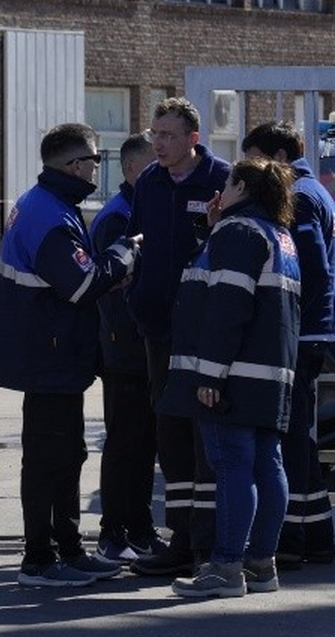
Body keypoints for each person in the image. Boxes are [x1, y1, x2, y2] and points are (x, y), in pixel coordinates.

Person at [0, 122, 141, 588]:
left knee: (66, 454)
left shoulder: (47, 204)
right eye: (93, 160)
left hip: (52, 355)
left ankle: (68, 550)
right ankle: (40, 559)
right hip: (48, 357)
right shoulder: (50, 216)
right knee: (50, 458)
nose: (97, 168)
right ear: (75, 165)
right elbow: (82, 283)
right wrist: (125, 254)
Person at [161, 157, 300, 598]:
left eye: (228, 183)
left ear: (242, 187)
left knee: (232, 466)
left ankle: (225, 567)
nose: (221, 191)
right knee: (267, 464)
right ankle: (260, 564)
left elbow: (226, 307)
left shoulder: (239, 232)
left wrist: (211, 374)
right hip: (269, 374)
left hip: (233, 374)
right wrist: (213, 230)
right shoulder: (278, 235)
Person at [126, 97, 232, 577]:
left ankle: (211, 543)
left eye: (167, 135)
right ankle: (181, 539)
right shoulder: (150, 181)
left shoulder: (222, 179)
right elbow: (136, 242)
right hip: (158, 330)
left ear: (193, 139)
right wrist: (137, 297)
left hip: (205, 332)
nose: (158, 144)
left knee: (205, 433)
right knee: (169, 432)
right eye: (154, 134)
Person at [240, 121, 335, 568]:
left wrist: (289, 319)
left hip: (301, 333)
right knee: (299, 436)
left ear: (278, 158)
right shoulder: (313, 190)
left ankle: (293, 537)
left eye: (256, 160)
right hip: (310, 332)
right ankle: (314, 532)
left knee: (291, 437)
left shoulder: (296, 196)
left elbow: (311, 270)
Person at [91, 132, 162, 563]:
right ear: (134, 169)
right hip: (125, 350)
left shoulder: (137, 208)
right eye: (155, 161)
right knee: (125, 444)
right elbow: (116, 292)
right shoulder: (119, 217)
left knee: (142, 443)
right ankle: (115, 532)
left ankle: (137, 527)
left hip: (137, 348)